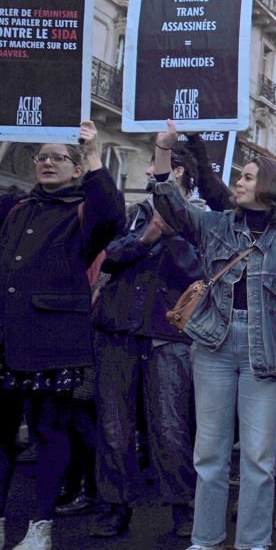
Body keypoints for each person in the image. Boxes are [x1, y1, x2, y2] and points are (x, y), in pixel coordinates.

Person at [150, 120, 276, 550]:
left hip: (267, 355)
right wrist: (161, 151)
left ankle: (252, 544)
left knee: (259, 462)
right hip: (213, 347)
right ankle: (204, 541)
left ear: (268, 188)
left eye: (246, 176)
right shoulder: (217, 225)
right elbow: (170, 206)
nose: (238, 182)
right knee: (209, 456)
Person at [90, 140, 227, 540]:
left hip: (169, 334)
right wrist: (148, 235)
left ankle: (181, 506)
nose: (148, 173)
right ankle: (115, 506)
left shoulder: (202, 220)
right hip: (118, 330)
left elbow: (201, 273)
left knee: (170, 426)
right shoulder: (138, 215)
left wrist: (173, 235)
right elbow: (110, 257)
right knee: (114, 426)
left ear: (178, 172)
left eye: (154, 166)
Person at [0, 122, 124, 550]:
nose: (48, 162)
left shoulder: (83, 211)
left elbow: (112, 214)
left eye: (58, 157)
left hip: (52, 344)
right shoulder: (17, 209)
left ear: (75, 169)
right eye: (42, 157)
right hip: (6, 339)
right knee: (1, 438)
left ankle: (40, 528)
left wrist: (93, 155)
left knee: (49, 435)